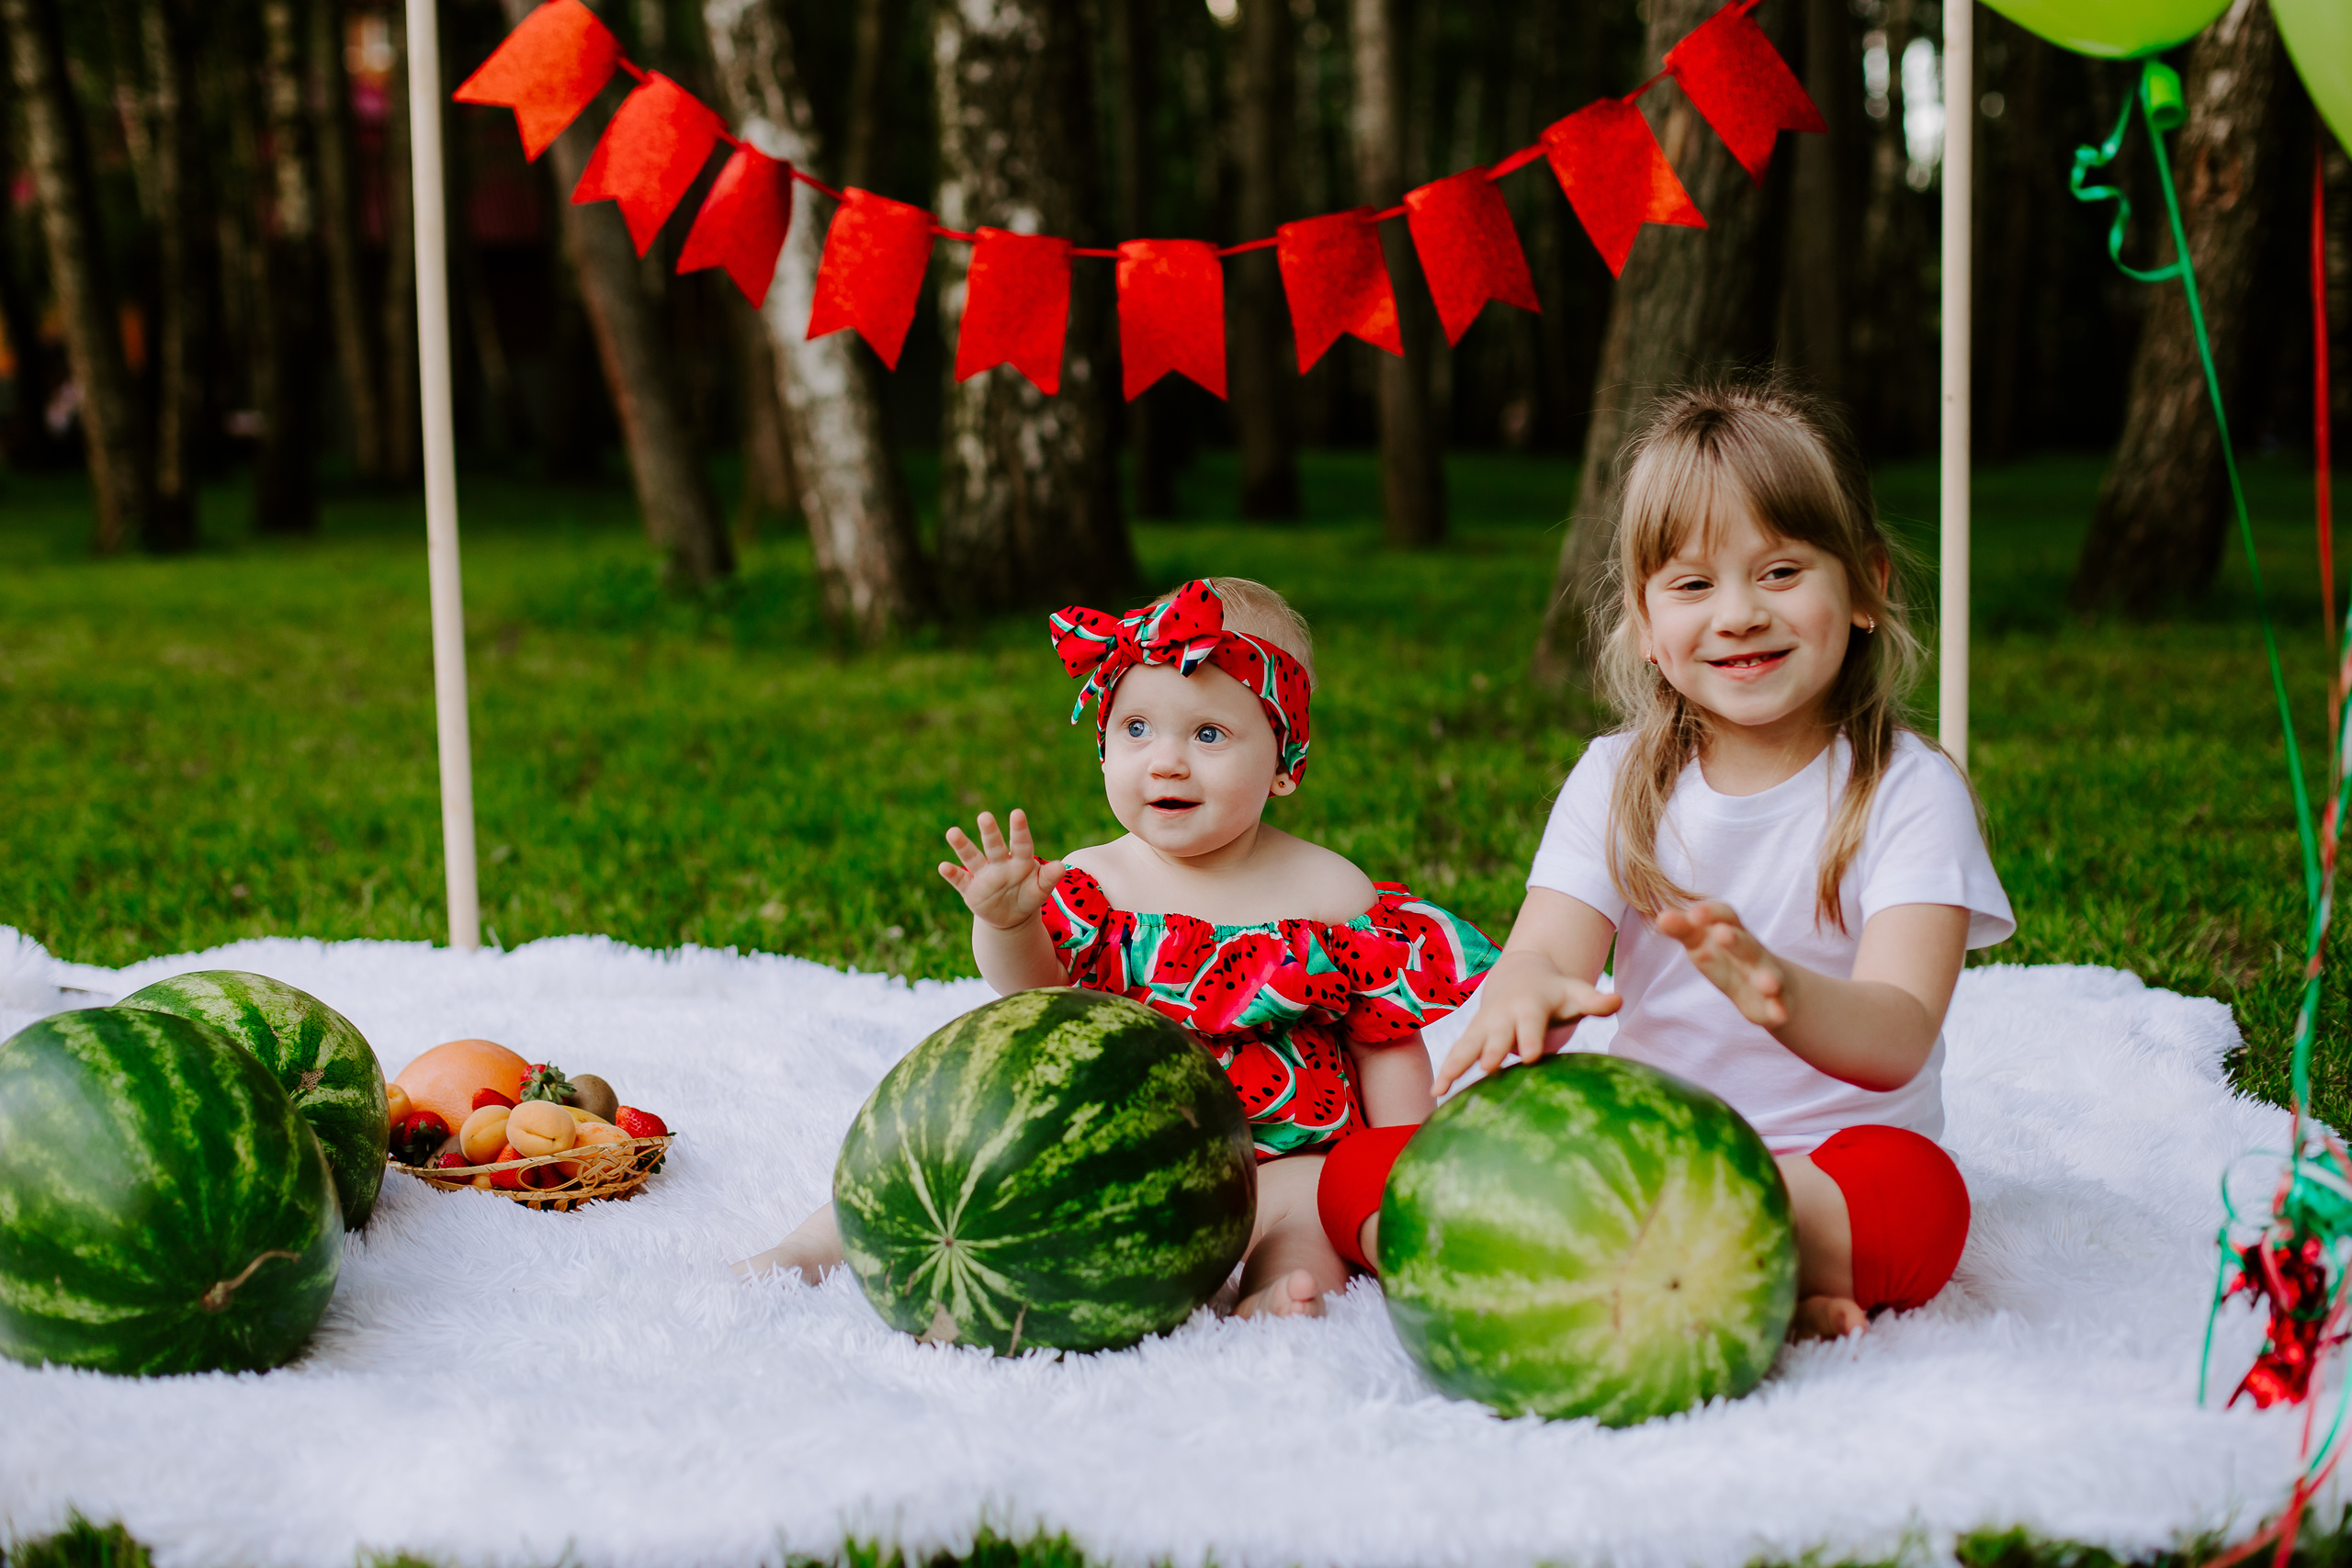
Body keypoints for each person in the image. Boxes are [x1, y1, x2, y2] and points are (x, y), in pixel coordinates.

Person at [1316, 381, 2012, 1338]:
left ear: (1864, 587)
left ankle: (1636, 1260)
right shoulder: (1617, 777)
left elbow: (1896, 1036)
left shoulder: (1905, 791)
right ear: (1645, 626)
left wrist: (1784, 993)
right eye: (1692, 585)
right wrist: (1526, 996)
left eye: (1779, 573)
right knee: (1355, 1169)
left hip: (1815, 1165)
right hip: (1640, 1159)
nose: (1736, 614)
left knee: (1921, 1201)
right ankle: (1727, 1272)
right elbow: (1547, 955)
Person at [736, 577, 1498, 1317]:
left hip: (1275, 1154)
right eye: (1136, 729)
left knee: (1310, 1210)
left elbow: (1385, 1041)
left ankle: (1279, 1285)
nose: (1166, 760)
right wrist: (1007, 924)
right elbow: (1032, 995)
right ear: (1103, 746)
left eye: (1208, 734)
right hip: (1107, 1138)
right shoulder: (1093, 881)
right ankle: (813, 1246)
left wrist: (1400, 1164)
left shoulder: (1333, 895)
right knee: (941, 1163)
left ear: (1285, 762)